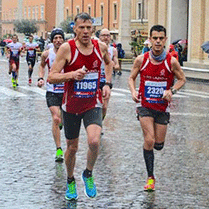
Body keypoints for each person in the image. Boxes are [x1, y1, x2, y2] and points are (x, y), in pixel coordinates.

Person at [47, 12, 113, 200]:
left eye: (88, 27)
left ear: (93, 28)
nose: (85, 31)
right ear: (74, 29)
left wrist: (107, 83)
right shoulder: (67, 49)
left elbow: (109, 64)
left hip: (92, 103)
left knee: (94, 141)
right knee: (72, 147)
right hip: (71, 106)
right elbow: (52, 76)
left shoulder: (100, 47)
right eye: (81, 27)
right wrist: (71, 75)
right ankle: (70, 180)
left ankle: (88, 174)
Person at [128, 25, 186, 192]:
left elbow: (182, 79)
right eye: (155, 38)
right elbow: (131, 78)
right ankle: (150, 177)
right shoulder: (141, 59)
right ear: (150, 40)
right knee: (149, 140)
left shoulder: (171, 61)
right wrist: (133, 91)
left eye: (161, 38)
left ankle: (151, 149)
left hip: (161, 107)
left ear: (165, 40)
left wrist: (172, 90)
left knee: (158, 145)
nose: (158, 41)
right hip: (144, 106)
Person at [37, 28, 65, 162]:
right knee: (56, 118)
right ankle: (59, 149)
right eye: (56, 38)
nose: (58, 40)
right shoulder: (46, 54)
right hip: (52, 90)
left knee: (63, 118)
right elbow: (42, 66)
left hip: (67, 91)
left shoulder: (69, 54)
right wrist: (40, 78)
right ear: (52, 40)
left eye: (60, 38)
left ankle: (62, 121)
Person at [99, 28, 119, 121]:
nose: (105, 38)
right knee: (96, 104)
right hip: (96, 79)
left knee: (104, 106)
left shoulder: (113, 50)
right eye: (103, 35)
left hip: (107, 80)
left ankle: (100, 122)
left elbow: (117, 65)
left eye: (107, 35)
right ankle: (96, 124)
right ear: (100, 37)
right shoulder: (95, 47)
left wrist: (111, 64)